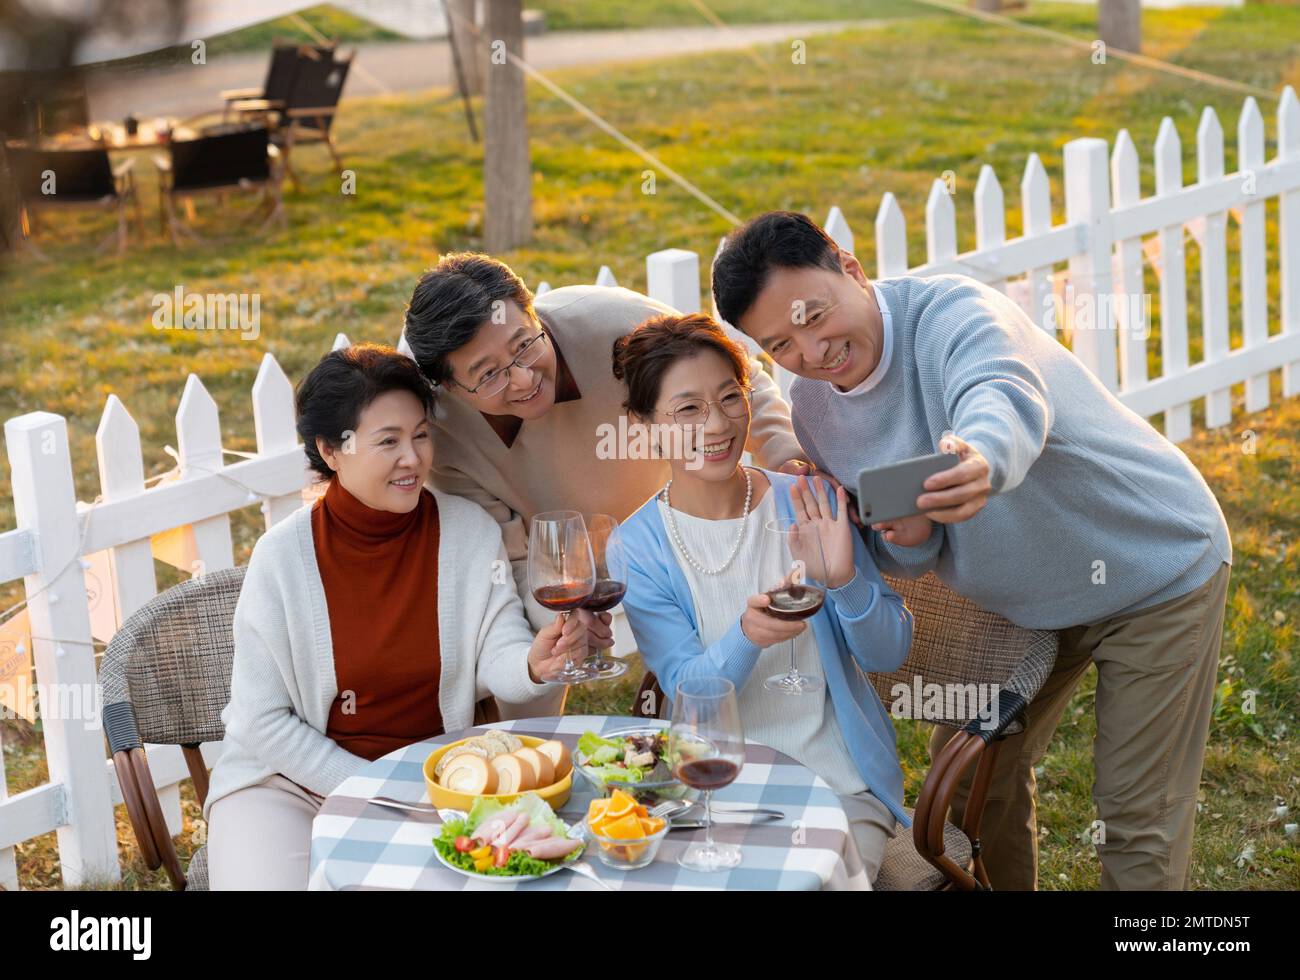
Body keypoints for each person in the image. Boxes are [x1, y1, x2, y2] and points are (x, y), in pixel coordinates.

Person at [711, 210, 1233, 891]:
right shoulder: (814, 405)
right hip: (1029, 601)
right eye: (780, 344)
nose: (811, 352)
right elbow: (907, 547)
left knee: (1136, 815)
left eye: (813, 317)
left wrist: (981, 457)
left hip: (1153, 569)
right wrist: (914, 538)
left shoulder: (959, 315)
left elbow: (1002, 396)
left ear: (851, 268)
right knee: (973, 792)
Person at [204, 344, 582, 890]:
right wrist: (369, 784)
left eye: (420, 435)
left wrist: (531, 662)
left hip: (433, 784)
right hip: (283, 785)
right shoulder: (282, 557)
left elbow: (497, 650)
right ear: (331, 450)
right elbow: (260, 720)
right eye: (388, 441)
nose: (413, 458)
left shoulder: (469, 532)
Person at [402, 253, 817, 690]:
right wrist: (567, 620)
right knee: (539, 688)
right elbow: (518, 558)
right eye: (489, 376)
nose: (523, 379)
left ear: (532, 311)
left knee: (705, 673)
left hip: (661, 534)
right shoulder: (441, 434)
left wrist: (784, 453)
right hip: (562, 559)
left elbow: (736, 380)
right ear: (449, 387)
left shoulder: (612, 322)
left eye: (525, 345)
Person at [609, 312, 915, 884]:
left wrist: (845, 581)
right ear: (642, 425)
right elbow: (685, 688)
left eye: (731, 396)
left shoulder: (810, 498)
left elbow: (887, 653)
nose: (719, 423)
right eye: (688, 409)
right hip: (710, 789)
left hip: (837, 784)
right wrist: (747, 638)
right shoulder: (638, 545)